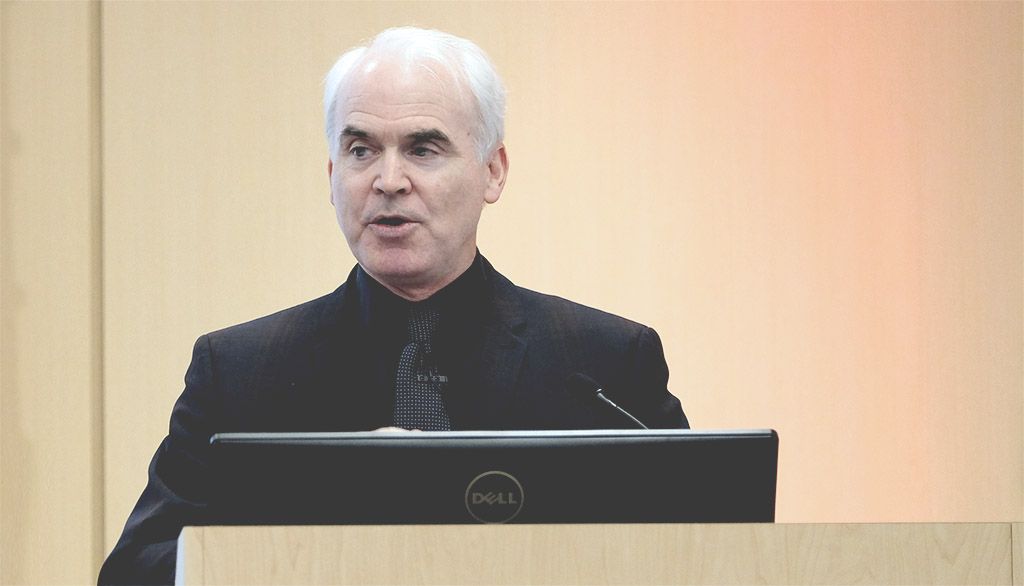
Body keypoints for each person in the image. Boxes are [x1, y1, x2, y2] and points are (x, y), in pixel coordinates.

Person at [99, 27, 688, 585]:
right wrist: (311, 529)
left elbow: (703, 548)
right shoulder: (240, 373)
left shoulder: (602, 367)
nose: (388, 180)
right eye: (360, 150)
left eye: (423, 149)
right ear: (332, 174)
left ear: (493, 171)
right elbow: (136, 570)